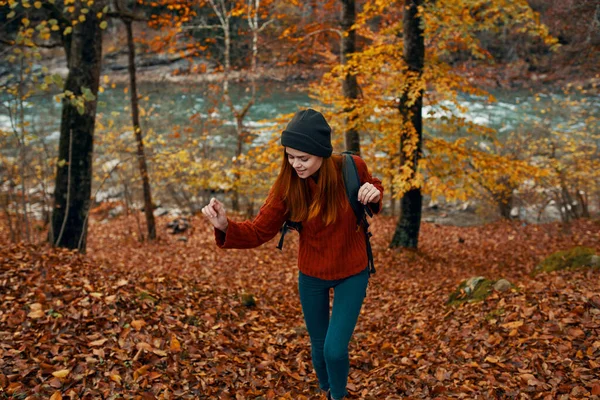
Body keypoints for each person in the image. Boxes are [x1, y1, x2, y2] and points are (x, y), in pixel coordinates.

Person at [202, 109, 384, 400]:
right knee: (319, 343)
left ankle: (337, 396)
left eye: (303, 158)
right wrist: (225, 226)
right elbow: (259, 231)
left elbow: (372, 186)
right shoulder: (287, 185)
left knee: (335, 349)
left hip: (353, 269)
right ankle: (325, 389)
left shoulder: (352, 167)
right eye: (290, 156)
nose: (295, 164)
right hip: (311, 273)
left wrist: (373, 192)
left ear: (321, 153)